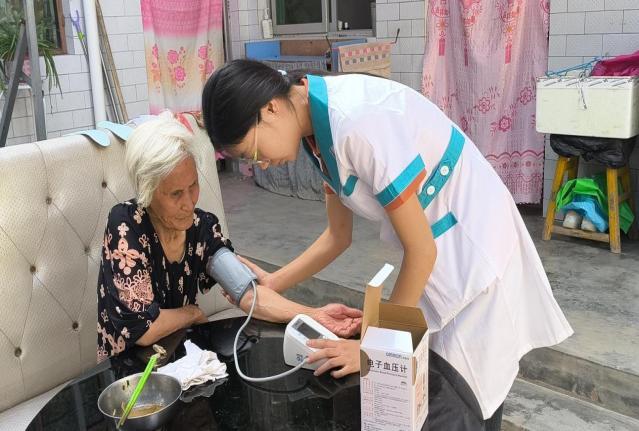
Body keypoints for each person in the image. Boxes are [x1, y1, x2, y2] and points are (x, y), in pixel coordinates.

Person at [201, 59, 574, 429]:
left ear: (270, 108)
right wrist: (273, 283)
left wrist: (372, 349)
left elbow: (422, 251)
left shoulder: (356, 124)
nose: (261, 165)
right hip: (438, 254)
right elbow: (337, 237)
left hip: (475, 249)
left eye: (252, 152)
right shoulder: (315, 131)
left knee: (465, 396)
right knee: (436, 390)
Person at [97, 112, 362, 361]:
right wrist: (191, 313)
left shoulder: (201, 227)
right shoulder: (126, 226)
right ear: (147, 191)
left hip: (181, 360)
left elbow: (248, 294)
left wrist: (314, 315)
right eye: (175, 194)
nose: (189, 203)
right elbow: (143, 329)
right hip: (128, 371)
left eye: (193, 186)